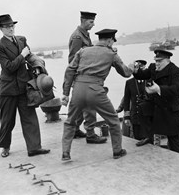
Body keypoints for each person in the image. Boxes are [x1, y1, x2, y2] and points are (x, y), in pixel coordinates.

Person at [61, 29, 134, 160]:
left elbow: (70, 70)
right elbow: (126, 73)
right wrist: (132, 67)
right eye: (112, 41)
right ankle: (117, 151)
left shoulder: (83, 51)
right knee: (113, 121)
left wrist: (66, 93)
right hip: (96, 90)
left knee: (70, 122)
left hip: (78, 89)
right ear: (110, 40)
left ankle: (65, 153)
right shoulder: (111, 53)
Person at [0, 14, 50, 157]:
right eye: (6, 26)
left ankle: (34, 147)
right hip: (8, 89)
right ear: (1, 29)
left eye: (12, 25)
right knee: (7, 121)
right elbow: (9, 67)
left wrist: (38, 66)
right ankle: (5, 146)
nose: (10, 28)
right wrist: (23, 55)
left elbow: (30, 57)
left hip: (24, 86)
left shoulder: (21, 39)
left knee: (30, 118)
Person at [64, 11, 106, 144]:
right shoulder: (77, 37)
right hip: (81, 77)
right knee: (89, 105)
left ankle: (75, 129)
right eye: (91, 22)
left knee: (81, 105)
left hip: (84, 76)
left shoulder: (84, 35)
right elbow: (73, 59)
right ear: (83, 20)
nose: (93, 25)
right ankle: (90, 134)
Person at [133, 47, 179, 153]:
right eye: (156, 61)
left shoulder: (175, 71)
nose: (157, 63)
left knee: (173, 139)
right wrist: (136, 70)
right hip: (156, 105)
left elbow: (176, 89)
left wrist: (159, 89)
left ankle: (178, 157)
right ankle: (148, 136)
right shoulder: (153, 67)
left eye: (159, 61)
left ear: (167, 61)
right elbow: (142, 75)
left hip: (170, 108)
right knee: (142, 108)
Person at [122, 60, 153, 146]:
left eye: (141, 67)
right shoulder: (129, 83)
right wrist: (127, 116)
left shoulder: (149, 81)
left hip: (147, 115)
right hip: (135, 115)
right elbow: (126, 100)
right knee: (137, 139)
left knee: (149, 140)